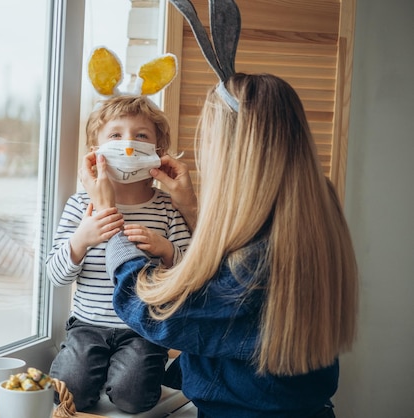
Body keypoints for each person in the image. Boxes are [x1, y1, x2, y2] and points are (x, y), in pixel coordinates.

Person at [79, 73, 358, 418]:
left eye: (208, 137)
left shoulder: (259, 260)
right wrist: (191, 208)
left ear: (233, 148)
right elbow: (237, 260)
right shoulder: (315, 202)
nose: (204, 148)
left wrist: (108, 214)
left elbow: (155, 312)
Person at [46, 95, 192, 413]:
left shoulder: (167, 208)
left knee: (133, 398)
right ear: (95, 148)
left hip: (143, 329)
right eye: (115, 135)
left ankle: (119, 373)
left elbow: (193, 270)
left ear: (158, 150)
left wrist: (168, 251)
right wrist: (81, 241)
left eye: (141, 136)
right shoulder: (79, 205)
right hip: (87, 325)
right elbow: (55, 275)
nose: (128, 145)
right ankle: (89, 365)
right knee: (68, 395)